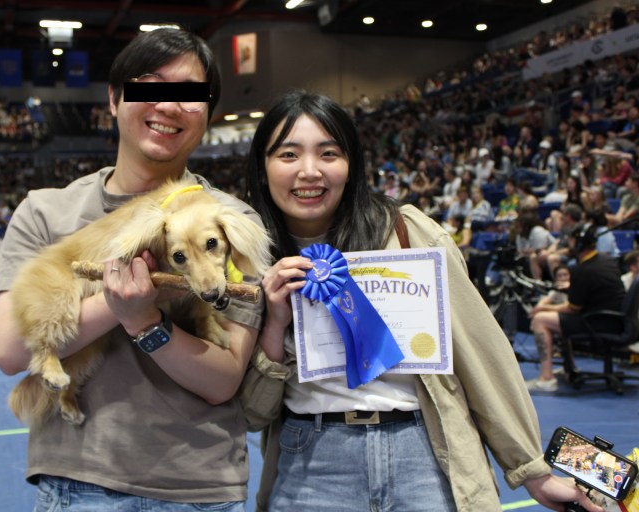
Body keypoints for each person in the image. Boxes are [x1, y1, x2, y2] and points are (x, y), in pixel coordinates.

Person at [239, 91, 602, 512]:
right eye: (288, 154)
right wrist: (274, 323)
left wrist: (531, 470)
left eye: (329, 153)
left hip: (424, 454)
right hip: (312, 464)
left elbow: (481, 351)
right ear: (262, 168)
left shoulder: (408, 233)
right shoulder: (249, 260)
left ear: (351, 165)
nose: (309, 171)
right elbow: (253, 415)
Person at [0, 28, 263, 511]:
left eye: (190, 95)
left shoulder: (232, 224)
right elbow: (11, 350)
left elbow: (222, 381)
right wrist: (121, 306)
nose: (169, 106)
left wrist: (144, 322)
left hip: (201, 490)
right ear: (113, 99)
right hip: (78, 486)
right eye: (150, 87)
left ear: (207, 113)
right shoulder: (47, 212)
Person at [527, 223, 625, 392]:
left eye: (572, 241)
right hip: (616, 319)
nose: (570, 245)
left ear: (579, 244)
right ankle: (570, 367)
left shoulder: (581, 270)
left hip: (597, 322)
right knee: (558, 319)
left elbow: (572, 308)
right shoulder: (607, 260)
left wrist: (543, 309)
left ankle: (546, 379)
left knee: (540, 320)